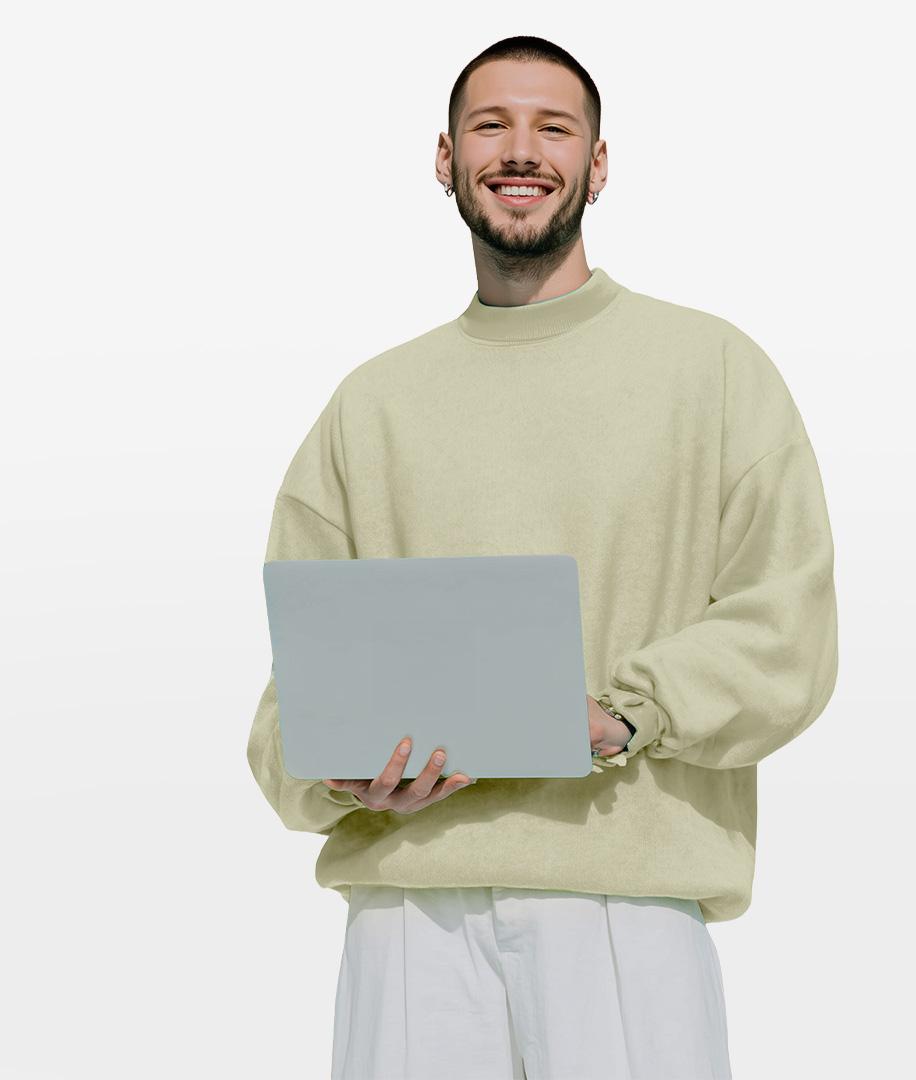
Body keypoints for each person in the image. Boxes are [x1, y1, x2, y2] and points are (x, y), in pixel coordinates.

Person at [247, 34, 839, 1080]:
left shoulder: (712, 370)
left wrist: (626, 714)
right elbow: (286, 705)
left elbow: (788, 625)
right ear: (445, 158)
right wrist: (343, 774)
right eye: (492, 125)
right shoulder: (370, 405)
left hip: (626, 910)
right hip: (408, 920)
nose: (521, 150)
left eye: (553, 127)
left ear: (597, 164)